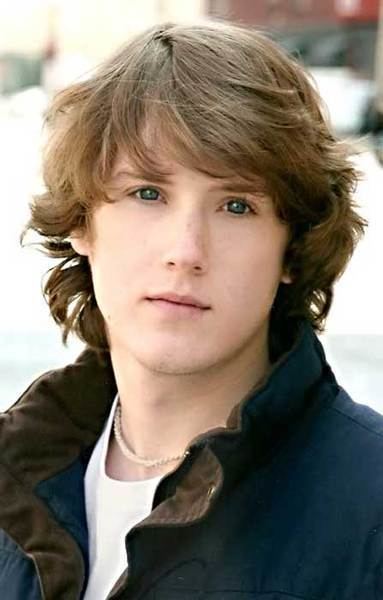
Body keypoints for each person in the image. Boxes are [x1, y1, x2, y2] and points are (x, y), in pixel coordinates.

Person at [0, 20, 381, 600]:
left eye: (236, 205)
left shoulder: (370, 508)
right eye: (148, 194)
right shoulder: (16, 470)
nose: (186, 252)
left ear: (291, 245)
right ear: (82, 221)